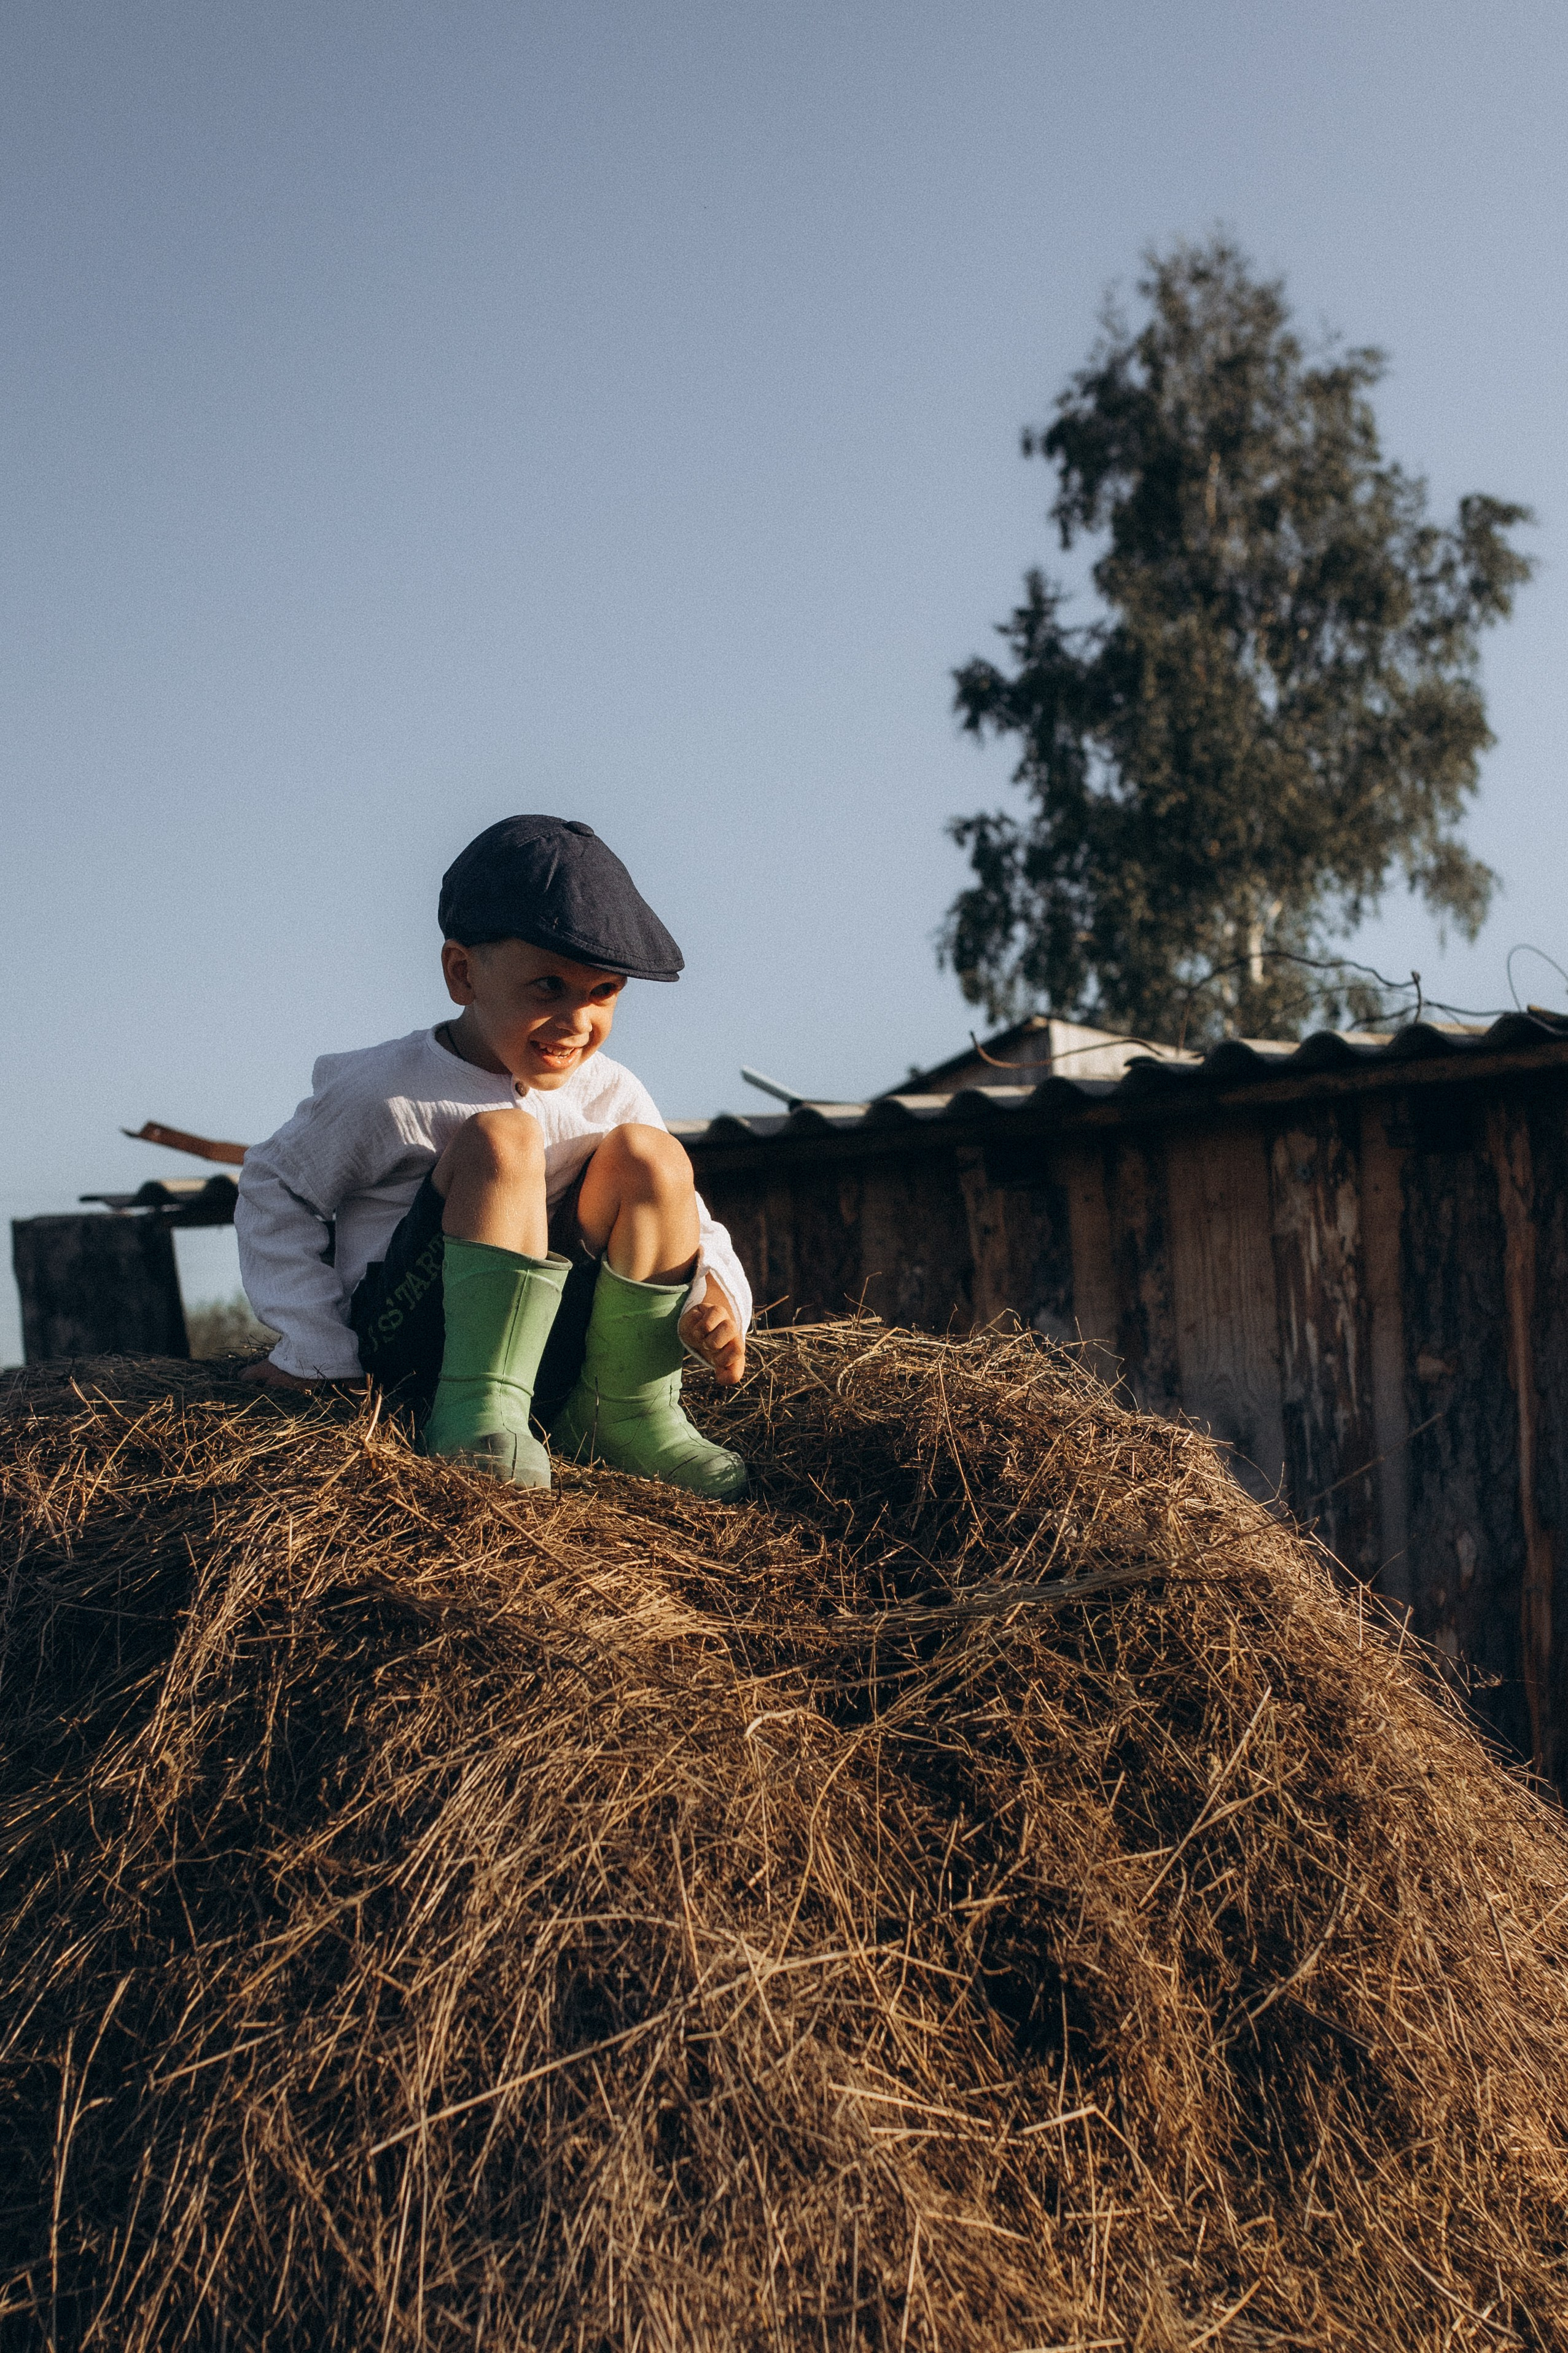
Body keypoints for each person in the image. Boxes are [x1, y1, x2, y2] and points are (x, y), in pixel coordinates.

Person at [235, 815, 750, 1500]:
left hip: (551, 1351)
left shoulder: (613, 1091)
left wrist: (717, 1291)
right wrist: (316, 1347)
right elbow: (276, 1186)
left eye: (603, 993)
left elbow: (693, 1216)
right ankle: (475, 1414)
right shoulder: (387, 1088)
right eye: (548, 988)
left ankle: (623, 1414)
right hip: (412, 1348)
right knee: (504, 1140)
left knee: (653, 1157)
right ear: (462, 972)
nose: (576, 1021)